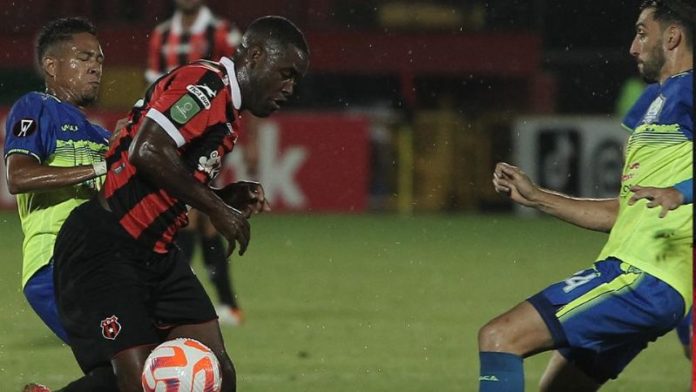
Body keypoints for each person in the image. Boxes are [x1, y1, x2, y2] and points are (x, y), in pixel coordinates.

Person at [37, 16, 308, 392]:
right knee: (135, 382)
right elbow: (146, 150)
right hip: (108, 244)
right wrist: (215, 209)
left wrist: (220, 197)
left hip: (157, 253)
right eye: (286, 73)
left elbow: (168, 181)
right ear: (257, 56)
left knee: (219, 372)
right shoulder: (206, 86)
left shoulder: (228, 111)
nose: (290, 88)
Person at [478, 1, 693, 391]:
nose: (633, 46)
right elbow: (622, 212)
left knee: (500, 337)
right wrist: (538, 197)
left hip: (642, 278)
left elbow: (673, 195)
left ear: (673, 36)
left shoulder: (692, 88)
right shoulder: (651, 104)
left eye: (643, 33)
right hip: (644, 281)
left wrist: (681, 192)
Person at [147, 0, 245, 325]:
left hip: (208, 137)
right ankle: (226, 303)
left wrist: (253, 140)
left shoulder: (224, 33)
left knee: (194, 217)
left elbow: (242, 87)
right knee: (197, 219)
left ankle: (179, 301)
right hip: (169, 138)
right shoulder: (161, 37)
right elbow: (152, 92)